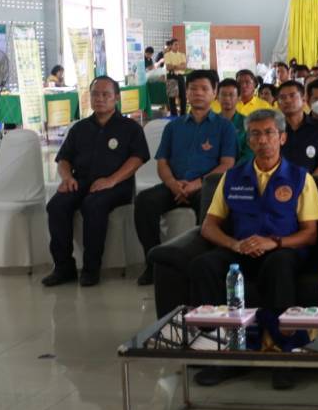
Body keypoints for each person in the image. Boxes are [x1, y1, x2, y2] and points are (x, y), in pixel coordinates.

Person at [165, 109, 318, 391]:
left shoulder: (301, 178)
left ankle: (283, 356)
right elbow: (209, 227)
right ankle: (223, 352)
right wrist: (234, 244)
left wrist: (273, 242)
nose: (263, 140)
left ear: (282, 138)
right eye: (255, 134)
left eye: (269, 133)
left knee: (278, 267)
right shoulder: (232, 176)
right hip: (240, 248)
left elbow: (310, 234)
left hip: (282, 250)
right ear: (248, 141)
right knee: (204, 266)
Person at [133, 70, 238, 286]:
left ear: (214, 93)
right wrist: (173, 184)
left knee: (208, 206)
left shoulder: (224, 127)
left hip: (205, 187)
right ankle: (153, 264)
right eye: (193, 89)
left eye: (204, 89)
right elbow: (162, 162)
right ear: (186, 94)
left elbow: (227, 164)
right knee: (144, 201)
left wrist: (195, 185)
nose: (198, 93)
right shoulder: (173, 127)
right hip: (174, 185)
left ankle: (197, 263)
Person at [42, 77, 149, 287]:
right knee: (56, 205)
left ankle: (91, 269)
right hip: (80, 182)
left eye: (105, 94)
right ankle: (64, 267)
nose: (99, 99)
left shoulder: (130, 128)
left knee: (93, 204)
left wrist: (111, 180)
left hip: (117, 185)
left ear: (116, 97)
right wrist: (67, 177)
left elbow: (137, 159)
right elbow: (63, 159)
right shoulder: (79, 128)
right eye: (95, 94)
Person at [275, 80, 318, 174]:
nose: (287, 100)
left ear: (304, 100)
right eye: (282, 97)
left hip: (312, 184)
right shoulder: (273, 130)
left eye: (292, 95)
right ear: (278, 104)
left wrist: (308, 184)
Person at [214, 79, 249, 163]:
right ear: (217, 97)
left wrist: (233, 170)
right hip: (212, 171)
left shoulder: (247, 123)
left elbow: (249, 154)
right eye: (223, 95)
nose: (227, 98)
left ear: (239, 98)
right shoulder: (210, 122)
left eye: (231, 95)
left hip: (239, 171)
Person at [162, 39, 188, 116]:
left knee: (183, 97)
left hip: (180, 76)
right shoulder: (167, 55)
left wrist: (175, 66)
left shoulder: (182, 55)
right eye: (175, 44)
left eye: (178, 44)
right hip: (171, 76)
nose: (177, 46)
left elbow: (184, 67)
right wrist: (178, 66)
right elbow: (168, 67)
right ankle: (174, 115)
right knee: (172, 98)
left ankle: (183, 115)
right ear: (171, 46)